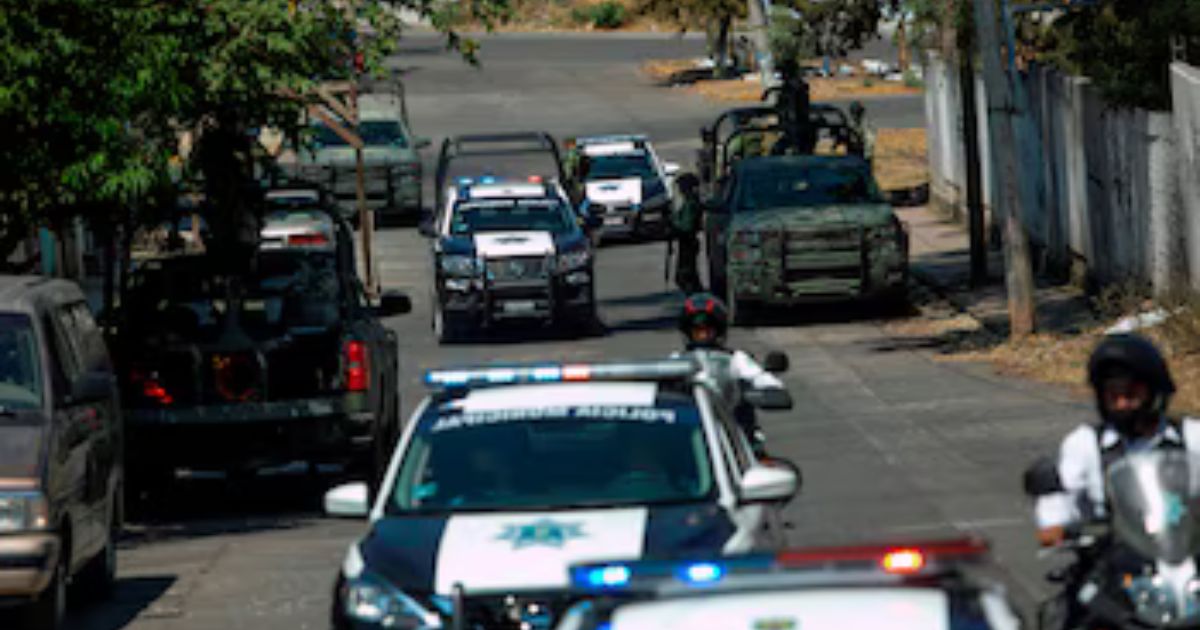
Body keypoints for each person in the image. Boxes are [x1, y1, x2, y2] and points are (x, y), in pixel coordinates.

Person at [1032, 333, 1200, 548]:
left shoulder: (1192, 436)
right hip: (1112, 555)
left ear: (1155, 391)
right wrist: (1056, 524)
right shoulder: (1085, 444)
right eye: (1113, 396)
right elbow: (1063, 496)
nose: (1122, 404)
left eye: (1131, 394)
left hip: (1185, 552)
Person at [674, 293, 787, 452]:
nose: (703, 334)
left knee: (768, 463)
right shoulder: (675, 362)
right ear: (687, 332)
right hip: (692, 438)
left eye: (708, 329)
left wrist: (770, 388)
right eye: (697, 330)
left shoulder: (737, 359)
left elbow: (759, 377)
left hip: (738, 437)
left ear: (719, 330)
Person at [672, 173, 704, 294]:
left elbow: (686, 226)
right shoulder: (690, 202)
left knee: (686, 275)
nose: (680, 190)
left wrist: (673, 224)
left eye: (681, 187)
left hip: (688, 241)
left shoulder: (691, 203)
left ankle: (695, 297)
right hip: (687, 241)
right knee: (689, 274)